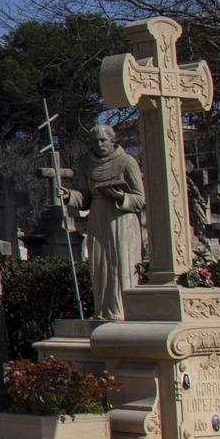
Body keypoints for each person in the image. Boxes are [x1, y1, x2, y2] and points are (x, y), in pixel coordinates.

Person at [69, 125, 145, 323]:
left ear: (112, 141)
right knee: (100, 265)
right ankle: (103, 310)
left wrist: (120, 196)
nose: (99, 144)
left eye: (103, 140)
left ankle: (122, 310)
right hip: (98, 216)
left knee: (121, 263)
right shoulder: (87, 164)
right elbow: (84, 197)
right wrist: (69, 195)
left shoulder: (127, 162)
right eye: (95, 141)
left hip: (121, 218)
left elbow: (140, 199)